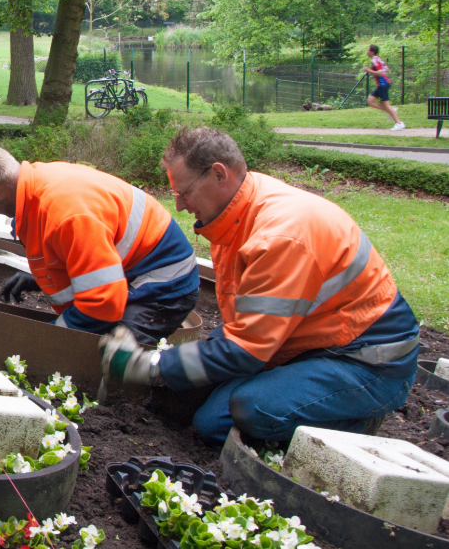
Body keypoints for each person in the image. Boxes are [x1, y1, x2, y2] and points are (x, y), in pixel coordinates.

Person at [100, 127, 419, 447]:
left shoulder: (279, 235)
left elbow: (246, 351)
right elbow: (245, 324)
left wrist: (147, 365)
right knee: (207, 418)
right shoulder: (236, 215)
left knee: (250, 411)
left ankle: (352, 425)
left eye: (185, 193)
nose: (180, 205)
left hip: (368, 361)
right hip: (307, 343)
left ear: (219, 174)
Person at [0, 143, 200, 344]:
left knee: (109, 352)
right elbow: (85, 258)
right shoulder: (38, 187)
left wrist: (45, 340)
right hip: (133, 267)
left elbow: (102, 303)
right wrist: (42, 279)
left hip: (165, 278)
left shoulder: (66, 214)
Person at [363, 44, 404, 131]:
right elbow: (386, 68)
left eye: (368, 50)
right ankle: (391, 111)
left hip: (383, 84)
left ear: (372, 51)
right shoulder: (377, 59)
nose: (367, 51)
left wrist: (368, 70)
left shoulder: (375, 61)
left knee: (386, 105)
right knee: (370, 101)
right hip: (381, 85)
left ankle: (399, 123)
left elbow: (381, 73)